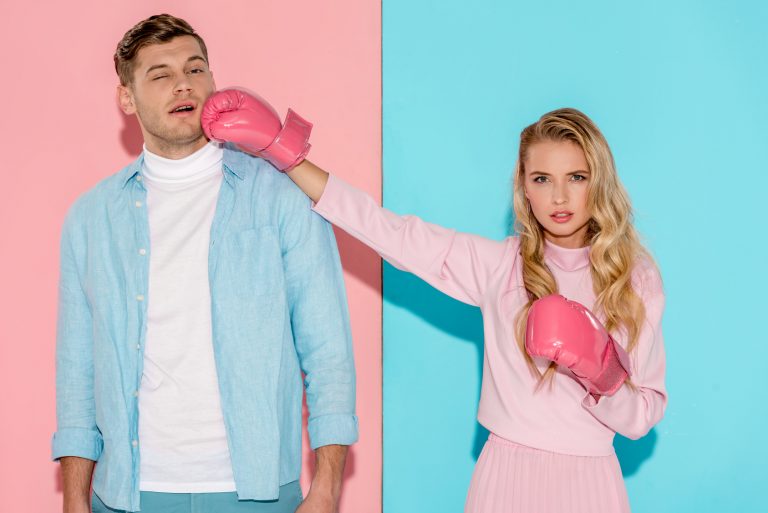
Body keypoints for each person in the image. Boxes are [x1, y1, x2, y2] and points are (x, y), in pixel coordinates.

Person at [201, 89, 667, 513]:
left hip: (591, 484)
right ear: (524, 187)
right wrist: (285, 153)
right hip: (506, 477)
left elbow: (641, 418)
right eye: (542, 178)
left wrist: (601, 373)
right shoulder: (498, 267)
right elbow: (388, 230)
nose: (559, 195)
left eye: (577, 176)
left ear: (598, 182)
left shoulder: (634, 281)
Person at [52, 14, 357, 513]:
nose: (183, 84)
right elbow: (77, 370)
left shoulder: (280, 195)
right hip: (128, 493)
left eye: (196, 69)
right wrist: (74, 500)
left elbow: (328, 351)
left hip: (256, 490)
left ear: (213, 82)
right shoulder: (90, 218)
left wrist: (325, 489)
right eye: (160, 74)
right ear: (126, 97)